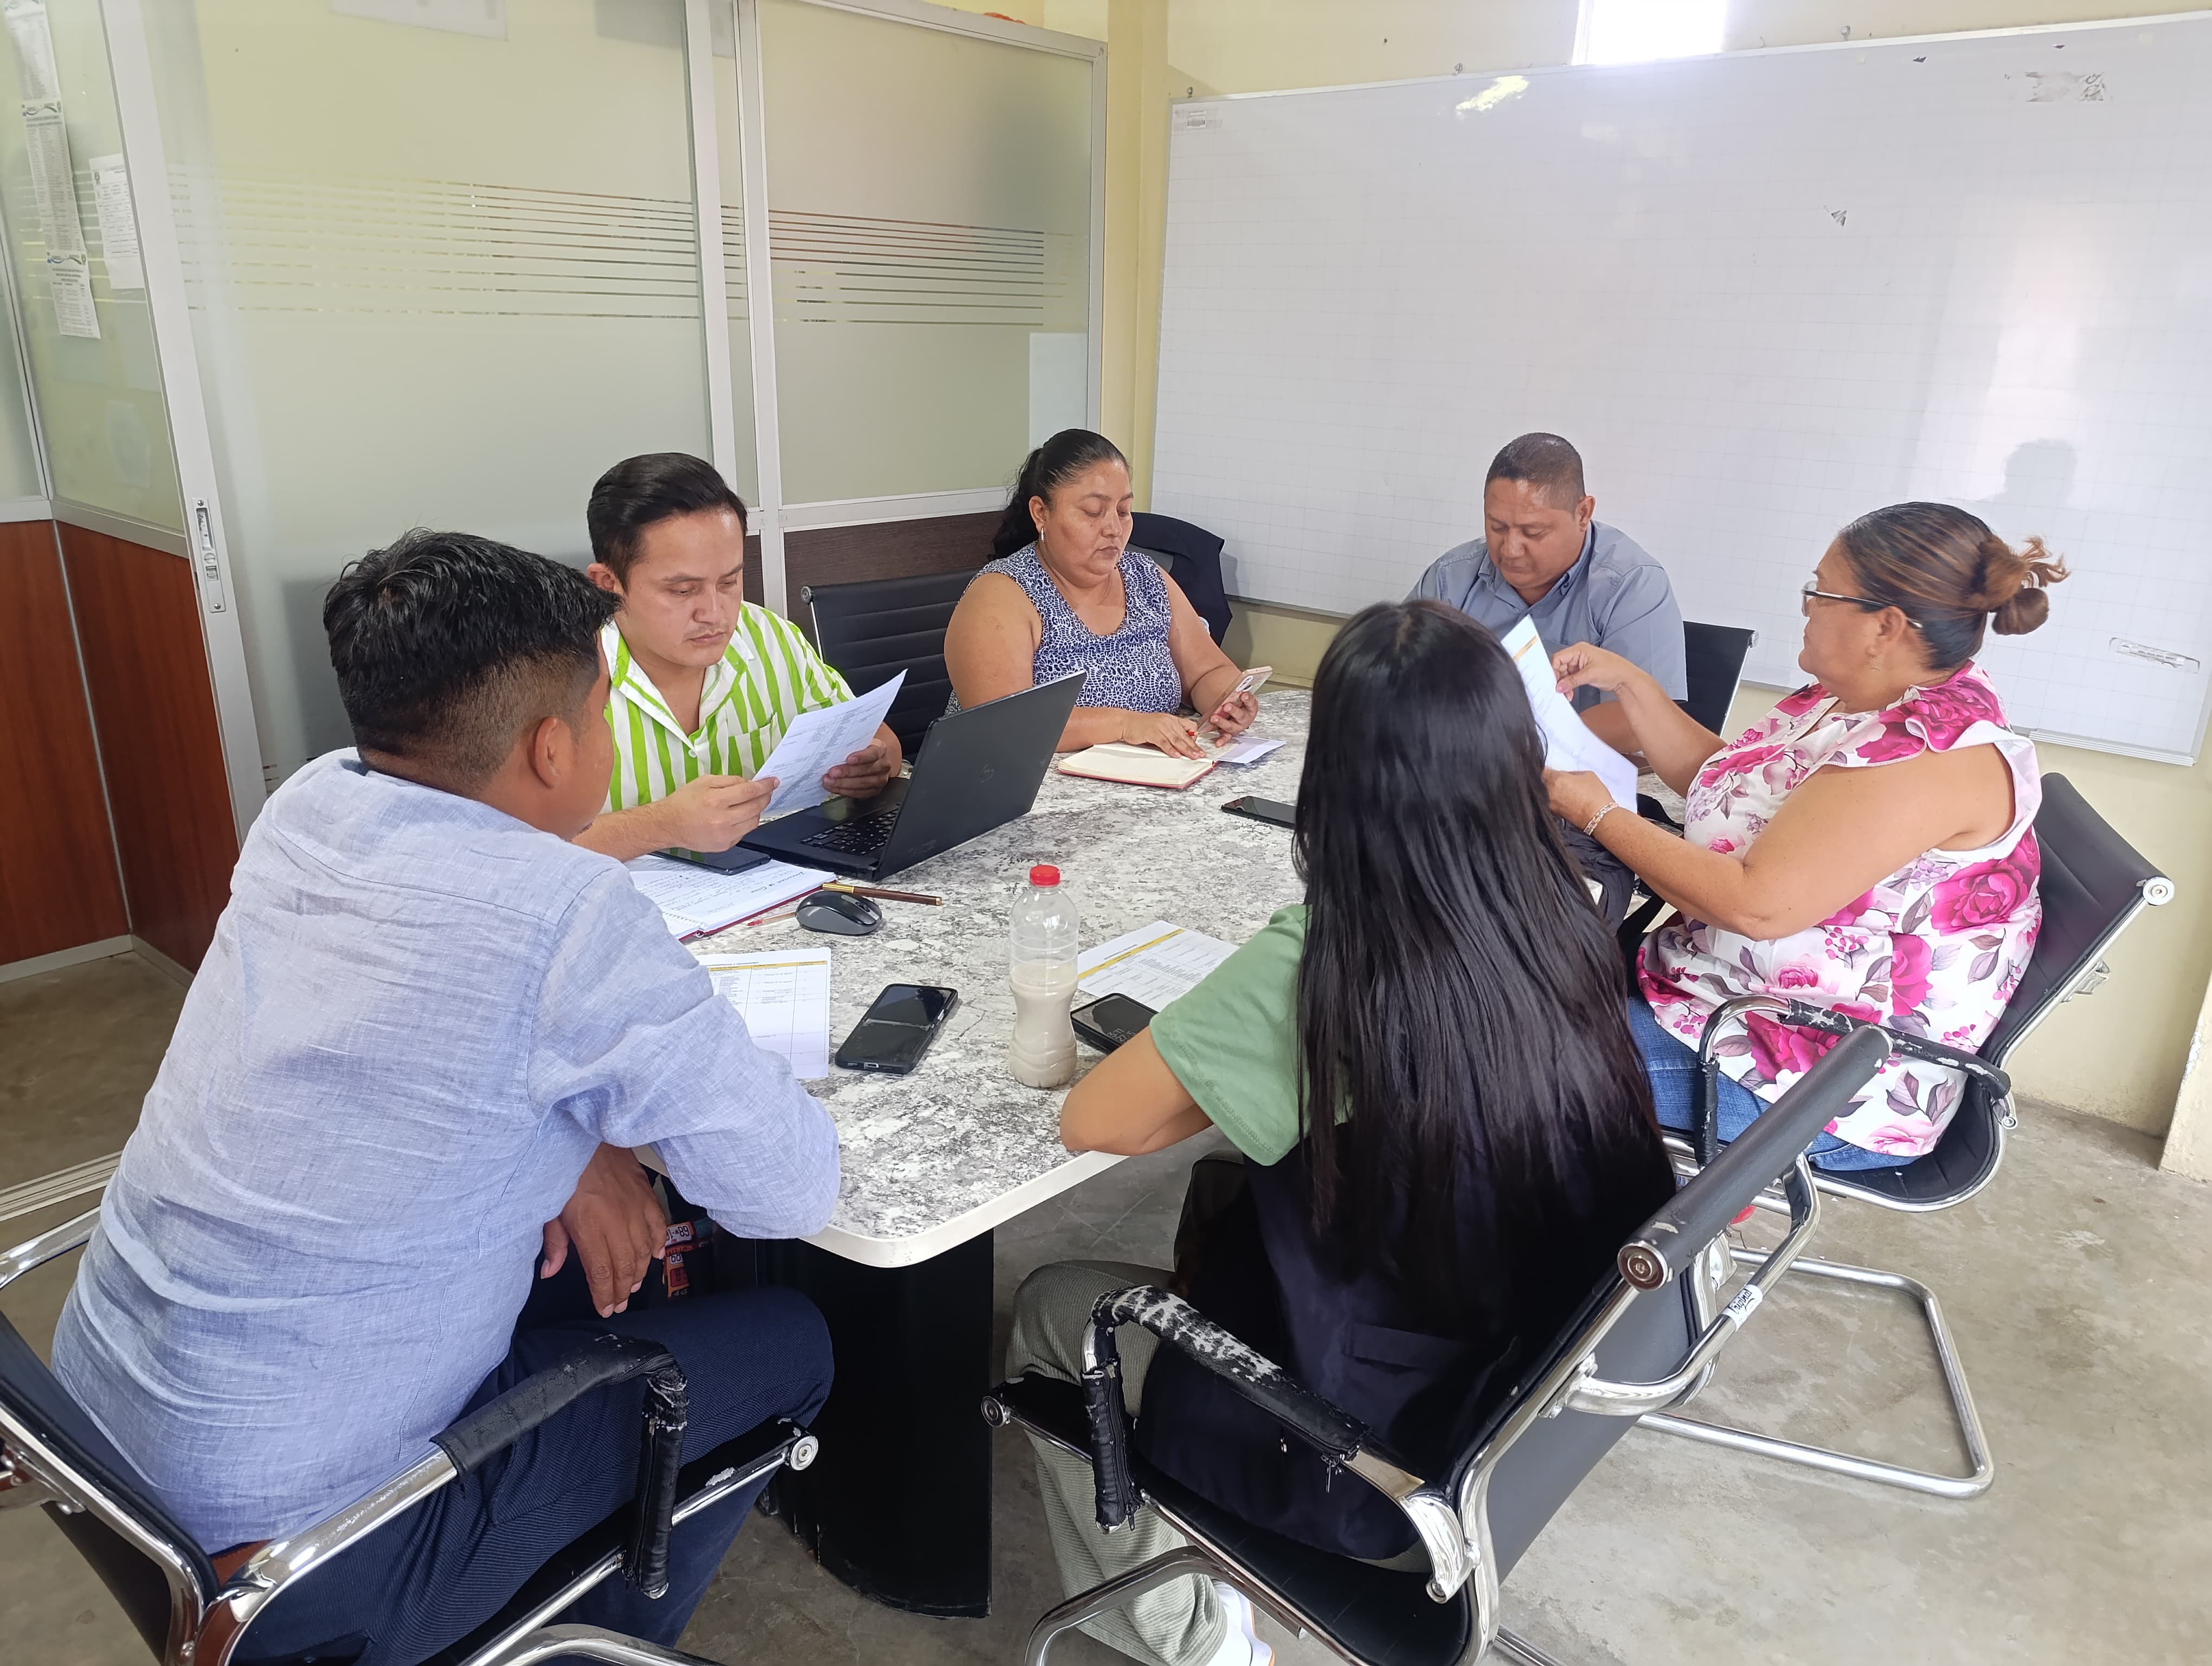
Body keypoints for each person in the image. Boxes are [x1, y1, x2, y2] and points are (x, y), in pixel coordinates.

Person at [52, 531, 841, 1664]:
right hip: (297, 1563)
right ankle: (589, 1649)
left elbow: (402, 1039)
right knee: (790, 1340)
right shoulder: (568, 913)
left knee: (579, 1268)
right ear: (553, 747)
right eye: (604, 710)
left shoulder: (310, 803)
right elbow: (787, 1189)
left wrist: (582, 1152)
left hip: (101, 1458)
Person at [1006, 600, 1677, 1666]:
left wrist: (1227, 1056)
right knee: (1227, 1182)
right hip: (1507, 1389)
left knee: (1054, 1305)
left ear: (1336, 781)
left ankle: (1194, 1641)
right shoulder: (1562, 899)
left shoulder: (1336, 956)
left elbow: (1097, 1120)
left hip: (1376, 1462)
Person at [1545, 502, 2067, 1169]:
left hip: (1808, 1077)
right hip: (1718, 996)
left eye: (1821, 593)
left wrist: (1595, 812)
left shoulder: (1927, 757)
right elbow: (1730, 787)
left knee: (1491, 1061)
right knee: (1490, 995)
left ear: (1885, 626)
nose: (1807, 608)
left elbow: (1755, 906)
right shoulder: (1854, 699)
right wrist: (1630, 683)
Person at [574, 452, 901, 861]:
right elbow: (514, 851)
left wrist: (872, 766)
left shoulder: (769, 636)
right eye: (683, 591)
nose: (715, 614)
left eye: (729, 582)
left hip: (776, 885)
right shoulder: (559, 677)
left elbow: (884, 742)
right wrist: (661, 825)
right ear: (607, 584)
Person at [944, 428, 1261, 759]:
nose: (1114, 529)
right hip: (1020, 782)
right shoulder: (1002, 593)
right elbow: (1005, 725)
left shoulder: (1146, 577)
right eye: (1093, 512)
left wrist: (1228, 703)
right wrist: (1125, 725)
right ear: (1041, 513)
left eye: (1123, 512)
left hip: (1145, 777)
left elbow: (1207, 672)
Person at [1407, 432, 1684, 752]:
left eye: (1533, 532)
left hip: (1577, 771)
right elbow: (1397, 678)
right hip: (1456, 763)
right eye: (1497, 527)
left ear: (1583, 514)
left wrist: (1513, 752)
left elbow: (1642, 719)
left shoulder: (1630, 584)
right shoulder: (1450, 578)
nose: (1510, 550)